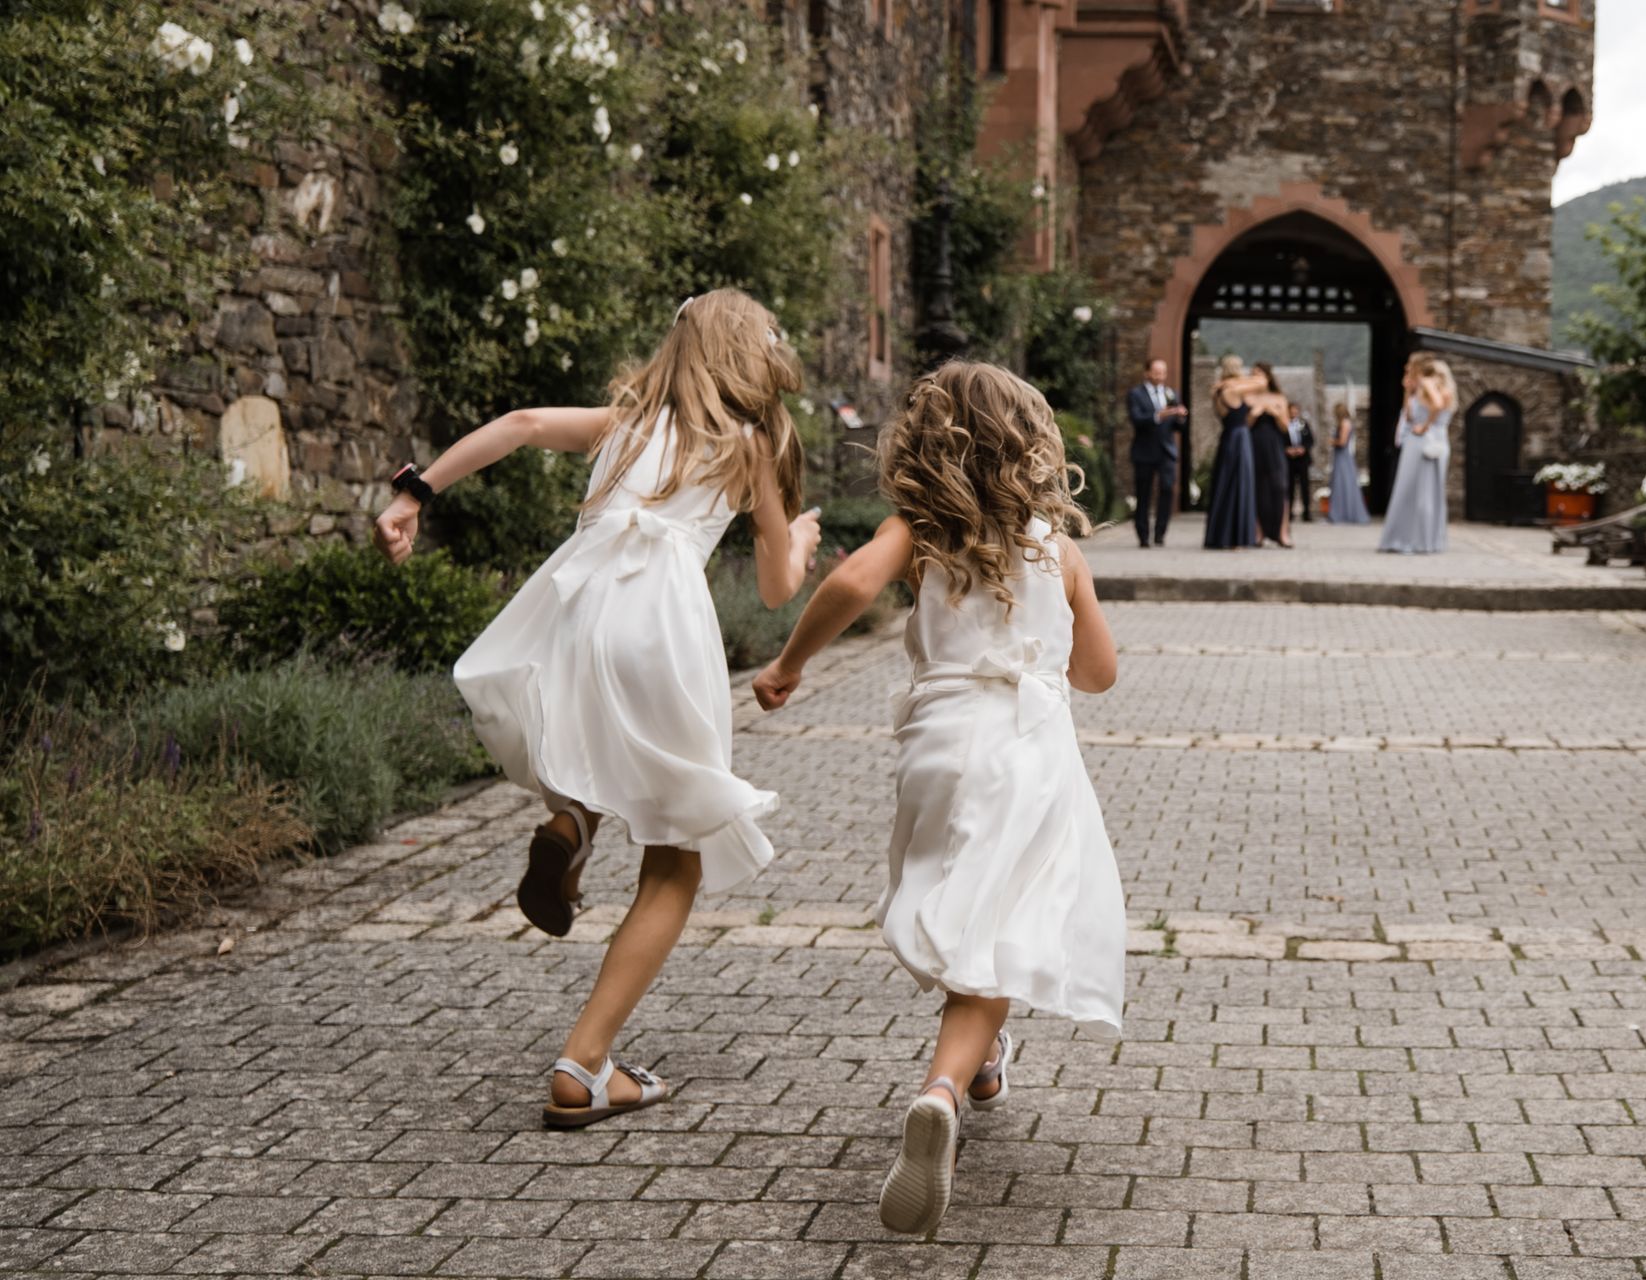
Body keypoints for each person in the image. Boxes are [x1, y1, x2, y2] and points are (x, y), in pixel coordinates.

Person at [372, 289, 824, 1127]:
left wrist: (414, 495)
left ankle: (572, 822)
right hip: (664, 627)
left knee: (587, 739)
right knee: (675, 861)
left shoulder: (625, 420)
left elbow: (518, 424)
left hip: (579, 608)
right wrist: (795, 541)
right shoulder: (751, 447)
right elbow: (773, 590)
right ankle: (583, 1068)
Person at [752, 362, 1124, 1238]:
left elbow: (846, 585)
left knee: (960, 906)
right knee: (997, 930)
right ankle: (942, 1089)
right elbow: (1099, 674)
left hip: (936, 746)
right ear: (1032, 448)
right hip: (1026, 752)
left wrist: (788, 664)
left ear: (928, 447)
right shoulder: (1054, 548)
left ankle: (983, 1062)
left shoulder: (918, 531)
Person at [1377, 354, 1458, 554]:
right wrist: (1408, 391)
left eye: (1408, 366)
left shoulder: (1426, 382)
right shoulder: (1434, 387)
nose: (1405, 369)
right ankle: (1427, 539)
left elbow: (1436, 405)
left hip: (1422, 442)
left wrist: (1425, 426)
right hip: (1436, 442)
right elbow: (1410, 414)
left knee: (1414, 491)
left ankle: (1411, 539)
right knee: (1428, 492)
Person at [1202, 355, 1265, 550]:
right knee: (1238, 484)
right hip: (1240, 438)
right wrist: (1247, 377)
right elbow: (1262, 383)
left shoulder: (1220, 389)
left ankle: (1220, 534)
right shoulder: (1234, 389)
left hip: (1227, 437)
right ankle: (1235, 537)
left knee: (1225, 484)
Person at [1125, 358, 1186, 547]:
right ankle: (1143, 535)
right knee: (1143, 494)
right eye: (1157, 372)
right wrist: (1159, 415)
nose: (1160, 376)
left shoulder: (1171, 393)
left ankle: (1160, 532)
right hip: (1144, 451)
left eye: (1163, 372)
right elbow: (1136, 419)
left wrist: (1181, 417)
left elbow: (1177, 427)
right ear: (1147, 373)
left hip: (1166, 451)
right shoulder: (1135, 394)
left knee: (1167, 490)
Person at [1247, 361, 1293, 548]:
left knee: (1280, 487)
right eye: (1253, 373)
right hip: (1254, 444)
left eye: (1260, 373)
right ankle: (1258, 532)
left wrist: (1274, 412)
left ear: (1268, 376)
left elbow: (1286, 427)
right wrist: (1256, 413)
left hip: (1274, 445)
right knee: (1255, 487)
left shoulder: (1279, 397)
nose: (1257, 377)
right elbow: (1245, 424)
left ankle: (1283, 533)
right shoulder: (1248, 397)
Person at [1326, 402, 1369, 524]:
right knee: (1339, 484)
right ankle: (1339, 511)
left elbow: (1342, 442)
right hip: (1340, 457)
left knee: (1344, 484)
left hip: (1343, 457)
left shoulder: (1345, 423)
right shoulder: (1344, 423)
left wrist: (1331, 441)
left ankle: (1344, 513)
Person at [1284, 402, 1316, 522]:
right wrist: (1287, 449)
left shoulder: (1303, 424)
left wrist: (1303, 448)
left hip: (1302, 461)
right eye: (1291, 411)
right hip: (1289, 461)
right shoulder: (1284, 424)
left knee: (1305, 487)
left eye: (1295, 411)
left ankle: (1306, 513)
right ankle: (1289, 514)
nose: (1293, 413)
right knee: (1289, 487)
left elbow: (1311, 440)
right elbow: (1280, 440)